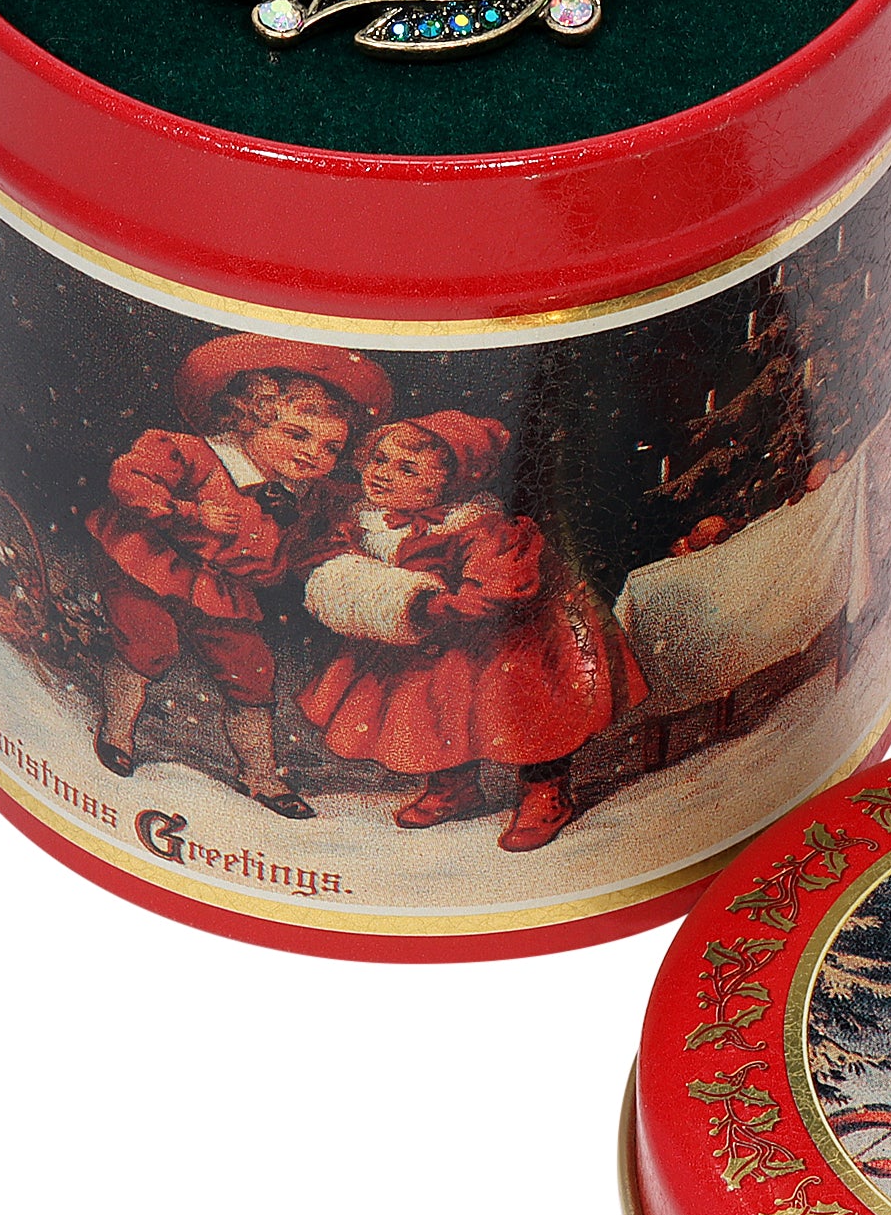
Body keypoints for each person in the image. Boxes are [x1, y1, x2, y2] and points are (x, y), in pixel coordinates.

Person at [295, 410, 648, 852]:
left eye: (407, 469)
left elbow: (501, 586)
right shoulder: (367, 518)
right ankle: (453, 786)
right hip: (440, 631)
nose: (382, 474)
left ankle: (545, 792)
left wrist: (445, 605)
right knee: (428, 704)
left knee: (531, 710)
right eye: (379, 460)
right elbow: (327, 556)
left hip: (516, 635)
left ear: (449, 484)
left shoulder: (483, 527)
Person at [84, 334, 391, 818]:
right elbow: (130, 479)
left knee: (252, 672)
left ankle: (261, 776)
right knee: (148, 641)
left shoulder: (304, 496)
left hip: (218, 589)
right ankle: (118, 732)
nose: (314, 453)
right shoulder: (190, 453)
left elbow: (326, 535)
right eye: (297, 435)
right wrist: (189, 511)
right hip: (146, 560)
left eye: (331, 447)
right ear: (249, 420)